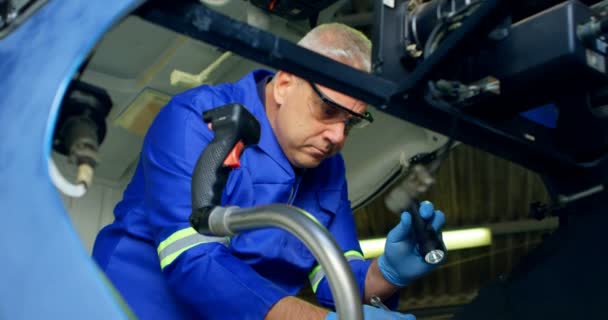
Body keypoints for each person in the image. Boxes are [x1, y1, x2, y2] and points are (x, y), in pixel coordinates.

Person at [92, 22, 445, 320]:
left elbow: (335, 280)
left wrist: (386, 274)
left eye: (350, 124)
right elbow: (194, 263)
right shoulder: (198, 120)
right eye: (327, 110)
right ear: (286, 81)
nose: (337, 136)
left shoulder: (327, 168)